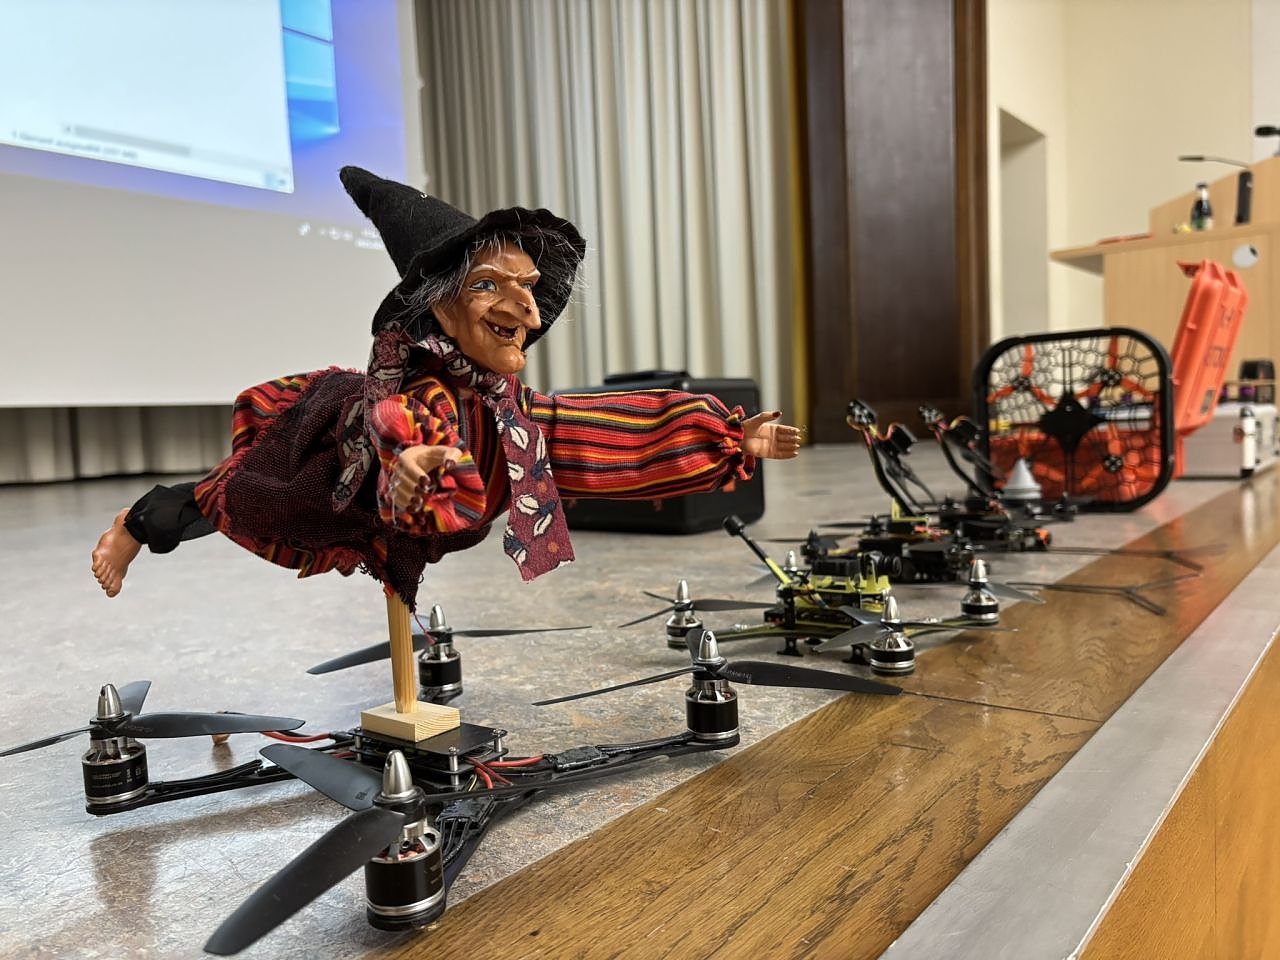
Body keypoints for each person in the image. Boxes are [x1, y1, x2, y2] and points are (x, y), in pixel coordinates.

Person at [91, 167, 801, 607]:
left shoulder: (507, 406)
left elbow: (586, 433)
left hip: (413, 486)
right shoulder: (417, 389)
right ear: (439, 306)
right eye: (490, 286)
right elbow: (401, 424)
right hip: (328, 466)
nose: (527, 312)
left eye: (529, 289)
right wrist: (409, 465)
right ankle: (138, 524)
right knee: (238, 494)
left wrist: (720, 437)